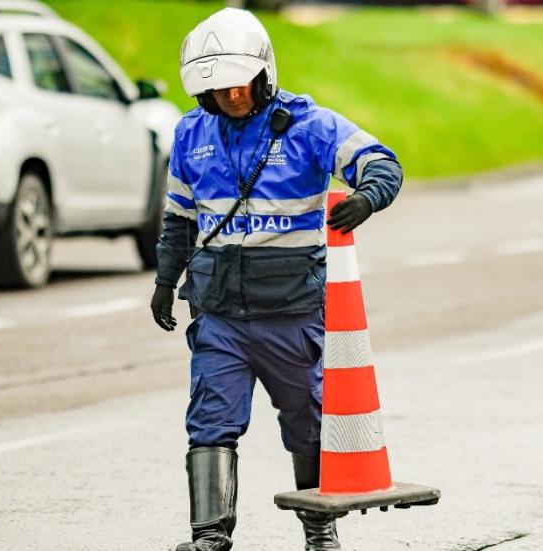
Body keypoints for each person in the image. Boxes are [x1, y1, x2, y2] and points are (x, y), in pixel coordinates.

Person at [149, 8, 402, 551]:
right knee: (210, 420)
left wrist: (366, 197)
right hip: (220, 314)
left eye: (241, 86)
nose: (233, 97)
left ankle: (319, 529)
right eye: (219, 90)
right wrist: (165, 281)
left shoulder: (311, 126)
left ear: (263, 75)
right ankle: (210, 536)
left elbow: (382, 162)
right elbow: (178, 220)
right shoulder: (191, 133)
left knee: (308, 425)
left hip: (293, 314)